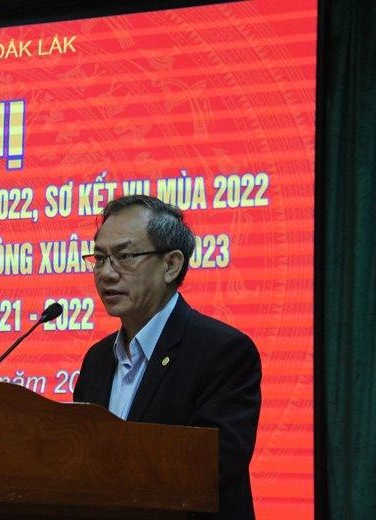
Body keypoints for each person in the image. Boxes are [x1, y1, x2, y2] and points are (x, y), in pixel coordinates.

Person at [73, 195, 261, 520]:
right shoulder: (97, 360)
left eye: (124, 256)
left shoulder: (223, 351)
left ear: (171, 265)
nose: (106, 273)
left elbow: (211, 467)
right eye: (100, 258)